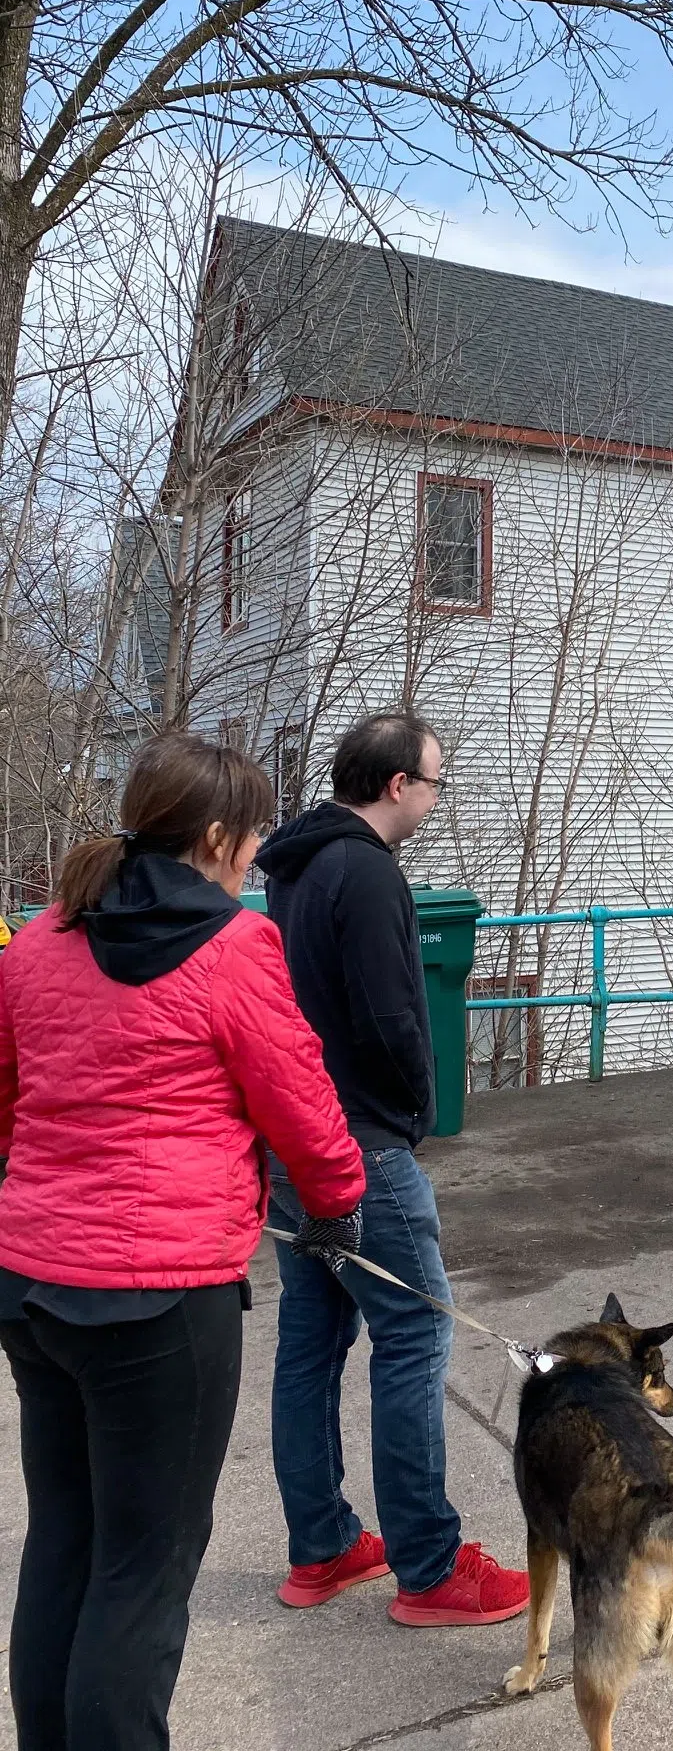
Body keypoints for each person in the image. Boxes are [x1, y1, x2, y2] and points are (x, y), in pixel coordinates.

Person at [0, 732, 366, 1751]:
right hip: (158, 1301)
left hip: (28, 1283)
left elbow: (7, 1095)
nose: (254, 855)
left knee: (65, 1542)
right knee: (144, 1571)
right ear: (213, 838)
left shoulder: (41, 939)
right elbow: (299, 1103)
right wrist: (337, 1205)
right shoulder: (234, 946)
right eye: (251, 837)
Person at [258, 710, 529, 1625]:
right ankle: (431, 1567)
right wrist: (416, 1107)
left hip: (295, 1137)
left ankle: (323, 1548)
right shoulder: (366, 871)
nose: (435, 799)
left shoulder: (293, 867)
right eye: (434, 783)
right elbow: (388, 1017)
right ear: (396, 784)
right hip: (360, 1144)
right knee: (413, 1336)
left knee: (311, 1340)